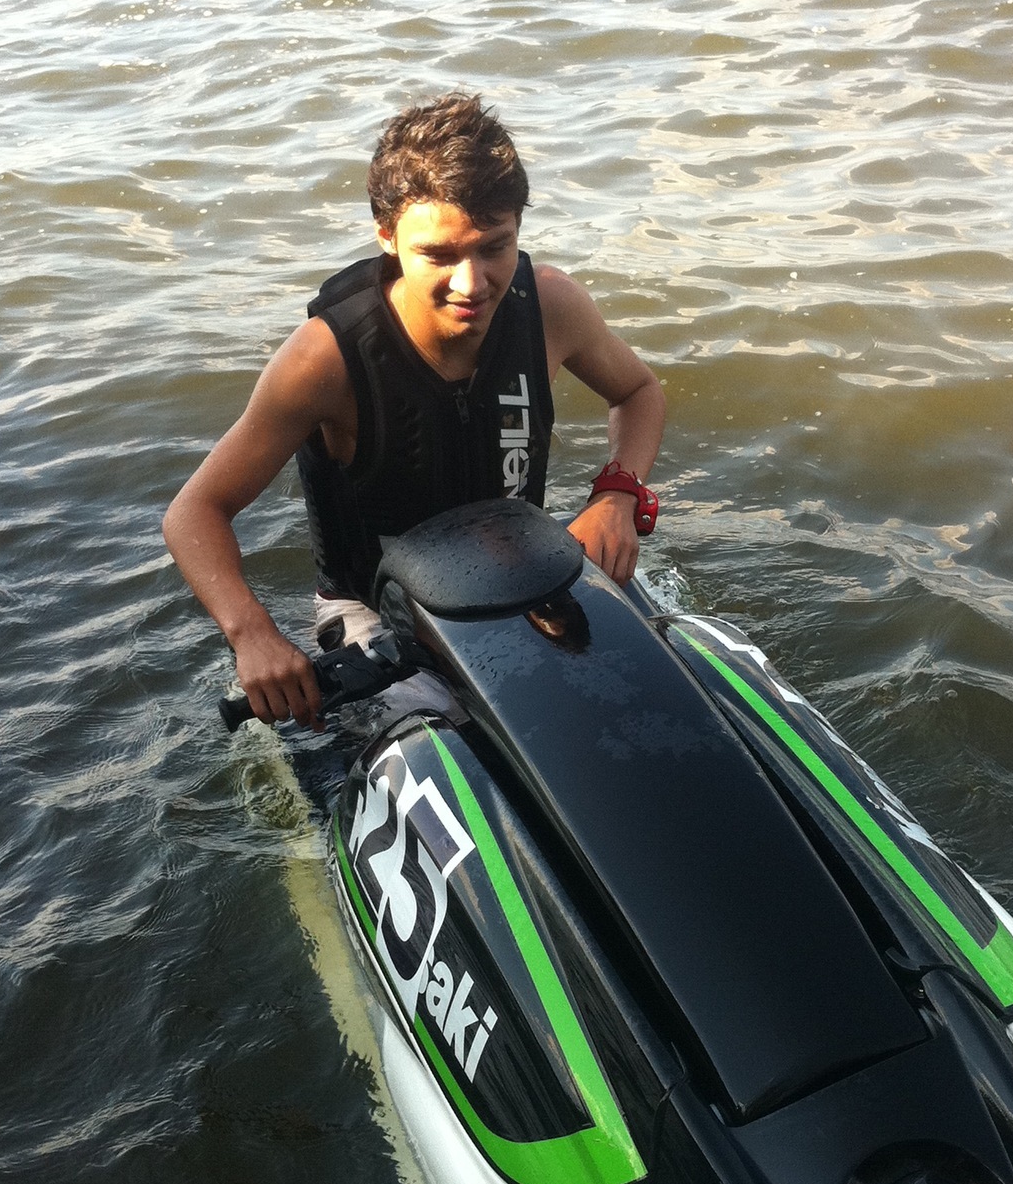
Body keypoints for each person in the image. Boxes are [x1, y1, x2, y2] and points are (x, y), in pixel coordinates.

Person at [163, 93, 665, 729]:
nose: (472, 284)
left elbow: (639, 391)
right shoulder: (326, 360)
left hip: (518, 573)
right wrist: (252, 634)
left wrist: (618, 494)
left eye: (495, 247)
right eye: (440, 255)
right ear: (387, 236)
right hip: (379, 614)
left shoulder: (550, 306)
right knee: (446, 736)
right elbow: (195, 511)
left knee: (646, 699)